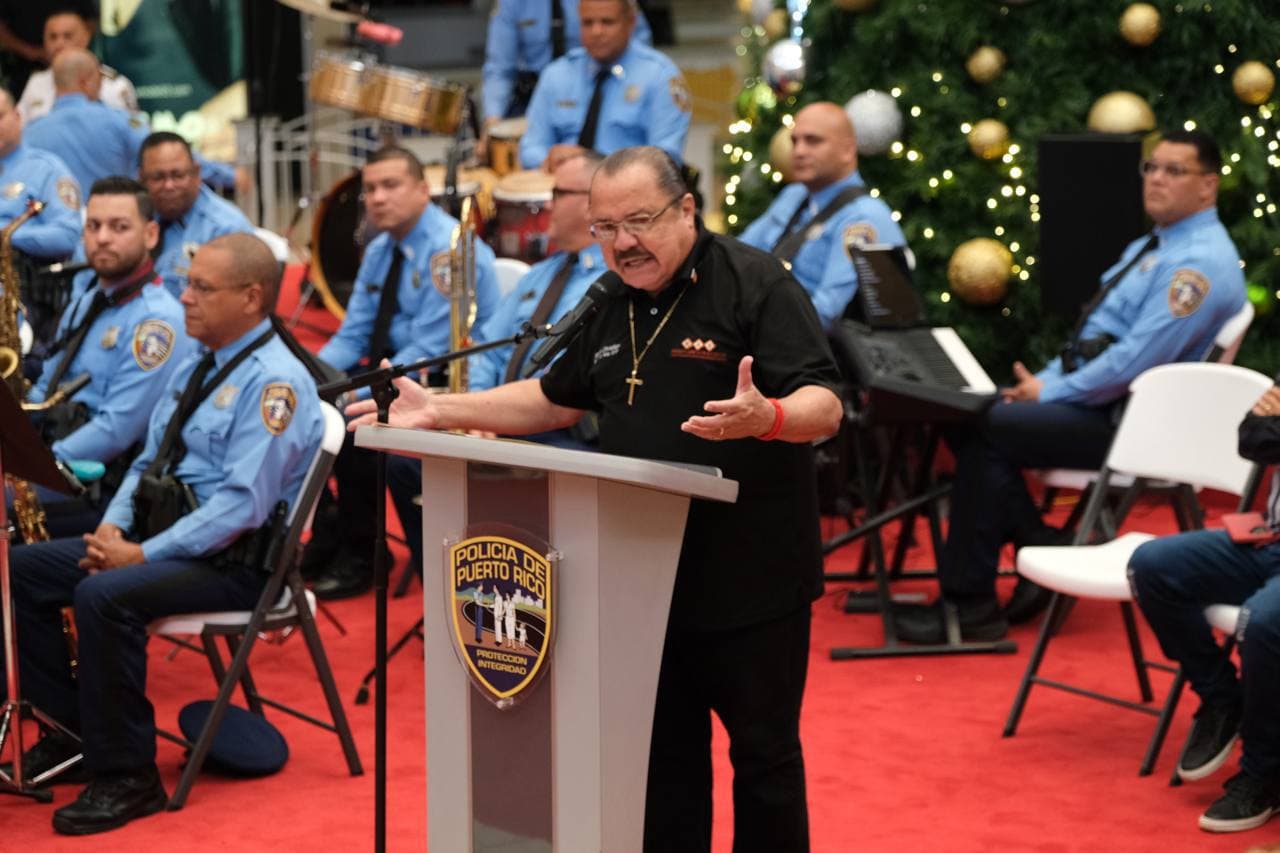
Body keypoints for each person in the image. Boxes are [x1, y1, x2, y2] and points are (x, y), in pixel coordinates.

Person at [348, 146, 843, 852]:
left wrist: (770, 418)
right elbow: (552, 399)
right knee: (662, 760)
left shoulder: (754, 281)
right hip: (641, 575)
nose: (623, 243)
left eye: (639, 221)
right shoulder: (610, 302)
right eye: (605, 227)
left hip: (751, 574)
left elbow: (825, 406)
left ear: (687, 210)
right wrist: (444, 410)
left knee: (763, 759)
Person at [4, 232, 324, 837]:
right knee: (21, 570)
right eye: (186, 283)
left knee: (103, 597)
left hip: (237, 565)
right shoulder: (201, 361)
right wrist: (110, 531)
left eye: (202, 287)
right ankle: (70, 732)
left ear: (252, 297)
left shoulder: (274, 383)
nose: (185, 299)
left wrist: (140, 554)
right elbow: (149, 463)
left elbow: (240, 510)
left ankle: (128, 775)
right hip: (163, 538)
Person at [892, 129, 1249, 644]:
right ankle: (1028, 547)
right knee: (969, 415)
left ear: (1208, 186)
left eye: (1175, 170)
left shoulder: (1197, 265)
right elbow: (1098, 342)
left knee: (987, 425)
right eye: (1152, 167)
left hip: (1131, 426)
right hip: (1105, 406)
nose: (1156, 179)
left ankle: (971, 602)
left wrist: (1050, 394)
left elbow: (1133, 362)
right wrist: (1042, 384)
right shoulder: (1157, 242)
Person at [386, 150, 607, 579]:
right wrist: (479, 409)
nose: (545, 204)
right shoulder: (538, 275)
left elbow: (572, 384)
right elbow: (486, 347)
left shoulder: (610, 283)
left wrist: (499, 417)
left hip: (562, 431)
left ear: (592, 203)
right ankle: (448, 590)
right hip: (496, 423)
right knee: (404, 466)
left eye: (558, 193)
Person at [302, 146, 499, 600]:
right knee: (303, 406)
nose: (376, 198)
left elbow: (433, 348)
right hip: (390, 364)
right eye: (370, 188)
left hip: (448, 374)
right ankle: (330, 532)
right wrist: (313, 379)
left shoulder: (449, 250)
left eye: (390, 186)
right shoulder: (379, 249)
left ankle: (363, 551)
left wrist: (349, 393)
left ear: (422, 189)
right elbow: (353, 334)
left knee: (351, 419)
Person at [1128, 386, 1280, 834]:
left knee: (1264, 622)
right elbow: (1252, 439)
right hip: (1269, 540)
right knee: (1152, 566)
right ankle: (1221, 698)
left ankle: (1264, 773)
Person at [21, 176, 191, 537]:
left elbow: (115, 432)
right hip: (54, 458)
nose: (102, 238)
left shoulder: (157, 323)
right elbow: (45, 387)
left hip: (100, 486)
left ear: (150, 235)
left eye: (119, 227)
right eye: (93, 226)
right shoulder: (89, 300)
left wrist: (31, 471)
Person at [738, 101, 907, 330]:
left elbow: (825, 314)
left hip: (819, 353)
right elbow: (737, 256)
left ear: (848, 150)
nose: (798, 151)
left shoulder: (864, 217)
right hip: (768, 328)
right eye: (795, 140)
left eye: (813, 141)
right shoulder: (793, 195)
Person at [518, 0, 690, 172]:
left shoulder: (659, 76)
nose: (596, 31)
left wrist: (590, 165)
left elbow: (665, 161)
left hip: (627, 192)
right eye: (587, 23)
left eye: (607, 22)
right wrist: (550, 159)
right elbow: (530, 149)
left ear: (630, 23)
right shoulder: (557, 74)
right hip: (563, 188)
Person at [481, 0, 652, 122]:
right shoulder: (511, 3)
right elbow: (499, 68)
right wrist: (493, 118)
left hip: (597, 90)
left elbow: (636, 47)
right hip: (531, 97)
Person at [139, 131, 254, 298]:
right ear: (142, 178)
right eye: (158, 177)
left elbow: (236, 306)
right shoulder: (134, 221)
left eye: (178, 175)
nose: (169, 185)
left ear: (196, 172)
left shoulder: (226, 229)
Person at [24, 49, 149, 194]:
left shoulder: (30, 133)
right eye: (99, 78)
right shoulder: (123, 121)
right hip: (115, 212)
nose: (101, 84)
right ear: (86, 82)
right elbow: (155, 157)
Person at [0, 85, 82, 261]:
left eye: (0, 116)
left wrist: (7, 235)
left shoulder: (46, 169)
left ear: (17, 116)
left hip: (24, 280)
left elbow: (67, 235)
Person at [17, 7, 139, 122]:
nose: (59, 44)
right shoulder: (36, 83)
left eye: (67, 36)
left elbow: (133, 133)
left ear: (86, 38)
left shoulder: (115, 85)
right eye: (53, 37)